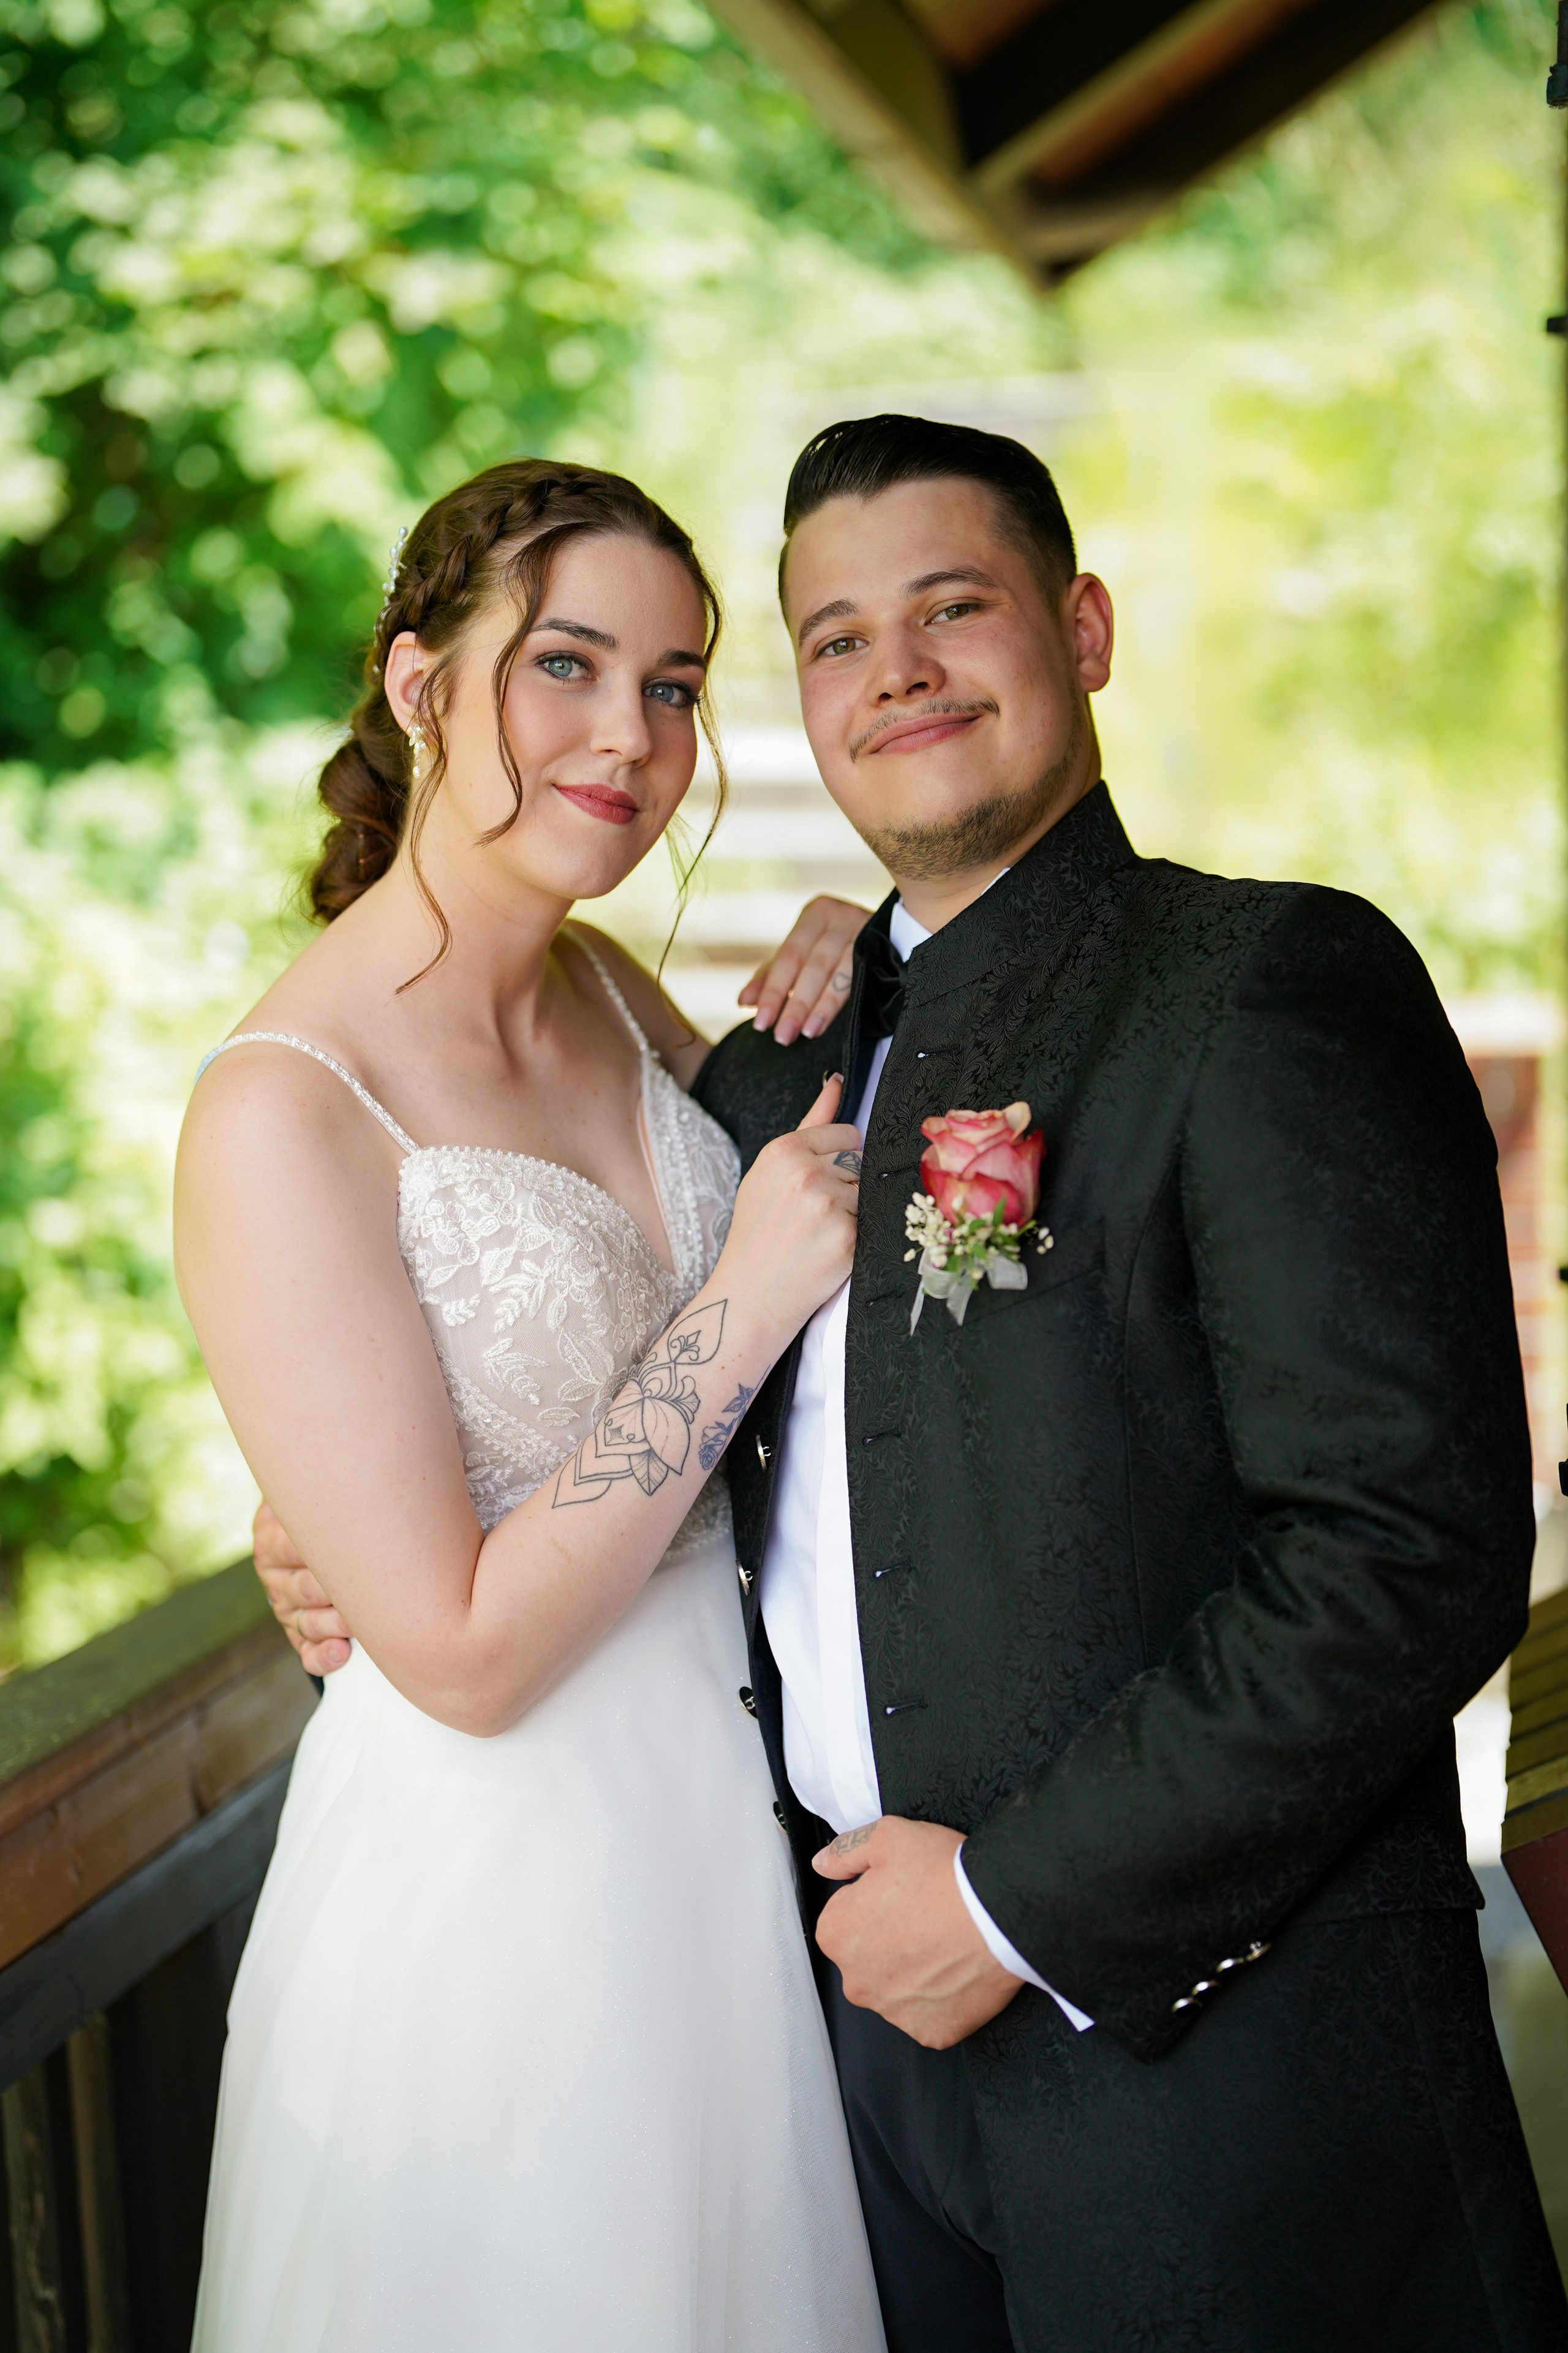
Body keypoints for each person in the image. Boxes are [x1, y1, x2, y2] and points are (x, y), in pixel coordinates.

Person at [262, 415, 1568, 2353]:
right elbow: (548, 1362)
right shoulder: (778, 1070)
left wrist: (1020, 1904)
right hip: (823, 2069)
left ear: (1087, 627)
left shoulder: (1267, 982)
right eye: (842, 640)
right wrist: (331, 1522)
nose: (903, 675)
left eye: (955, 609)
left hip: (1222, 2077)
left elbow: (1409, 1550)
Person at [177, 457, 887, 2352]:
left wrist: (857, 950)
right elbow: (466, 1653)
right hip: (508, 1911)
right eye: (566, 664)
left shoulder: (612, 995)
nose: (632, 739)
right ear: (420, 686)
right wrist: (732, 1309)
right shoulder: (282, 1109)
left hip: (742, 1845)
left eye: (672, 685)